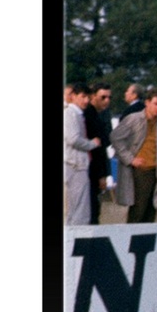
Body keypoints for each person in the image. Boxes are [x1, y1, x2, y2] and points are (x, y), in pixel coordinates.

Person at [110, 89, 157, 223]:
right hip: (140, 171)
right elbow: (115, 137)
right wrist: (130, 159)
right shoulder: (134, 119)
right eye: (155, 104)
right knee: (138, 210)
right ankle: (132, 235)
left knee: (150, 211)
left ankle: (146, 236)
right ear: (147, 103)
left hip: (155, 170)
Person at [64, 83, 101, 225]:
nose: (86, 101)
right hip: (74, 165)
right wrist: (92, 144)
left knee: (79, 207)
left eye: (88, 98)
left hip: (78, 165)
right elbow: (73, 139)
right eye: (83, 96)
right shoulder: (70, 114)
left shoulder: (77, 114)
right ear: (73, 96)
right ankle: (75, 235)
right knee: (78, 208)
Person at [83, 82, 113, 224]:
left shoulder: (99, 115)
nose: (107, 101)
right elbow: (96, 150)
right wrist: (101, 175)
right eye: (103, 97)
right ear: (93, 96)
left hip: (94, 169)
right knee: (91, 210)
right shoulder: (89, 115)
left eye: (109, 97)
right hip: (90, 170)